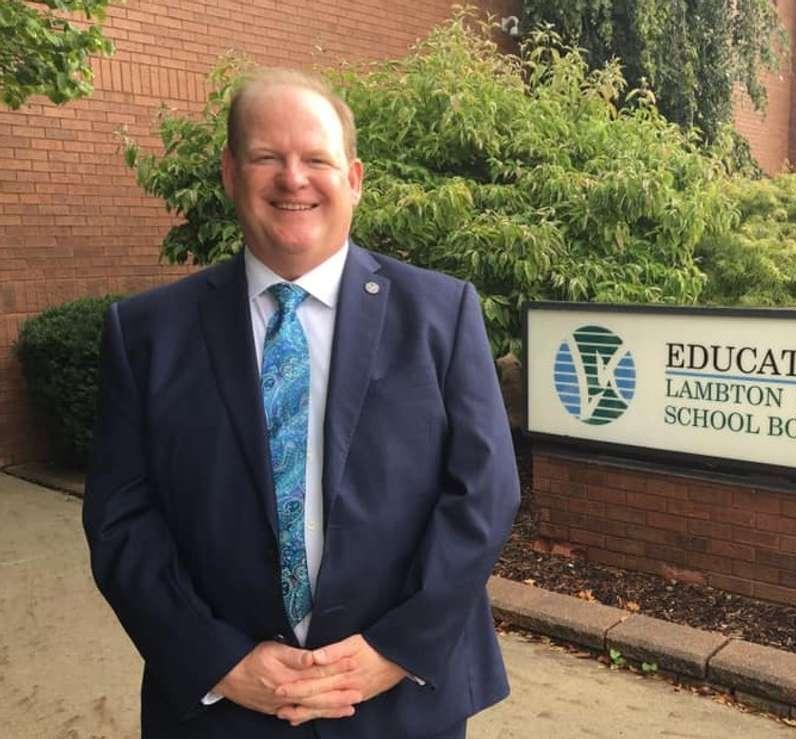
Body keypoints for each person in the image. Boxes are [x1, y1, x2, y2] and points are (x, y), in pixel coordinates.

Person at [82, 68, 520, 738]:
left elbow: (484, 494)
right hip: (221, 710)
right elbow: (121, 521)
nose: (293, 178)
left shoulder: (441, 314)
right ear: (231, 173)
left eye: (316, 158)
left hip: (399, 703)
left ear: (353, 178)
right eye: (266, 157)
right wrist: (218, 659)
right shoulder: (146, 334)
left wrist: (395, 648)